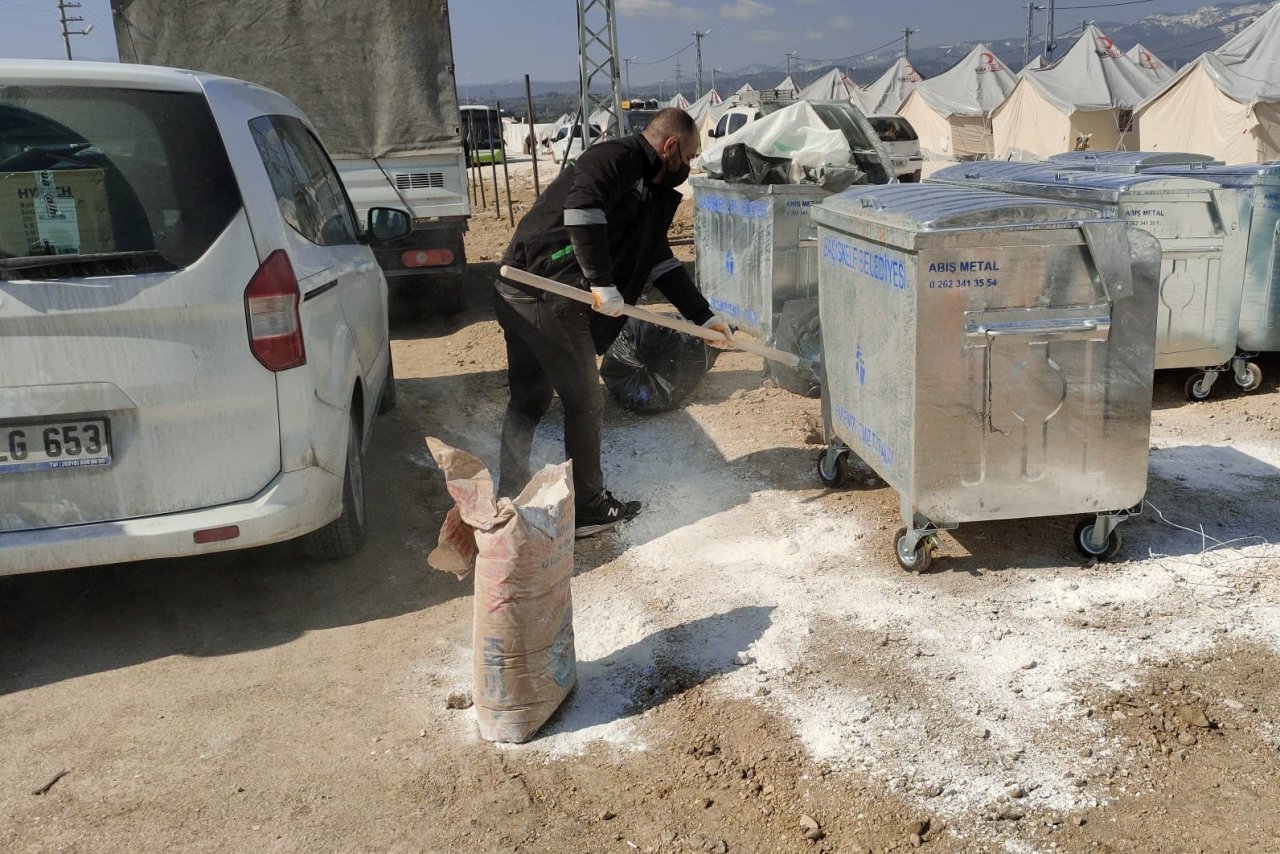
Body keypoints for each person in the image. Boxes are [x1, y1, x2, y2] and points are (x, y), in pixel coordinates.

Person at [493, 107, 732, 538]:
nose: (690, 167)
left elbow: (657, 260)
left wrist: (705, 317)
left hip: (530, 291)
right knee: (584, 400)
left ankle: (508, 499)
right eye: (690, 156)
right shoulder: (617, 159)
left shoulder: (649, 191)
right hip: (543, 289)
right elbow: (582, 210)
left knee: (529, 399)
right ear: (670, 147)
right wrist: (603, 282)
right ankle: (587, 508)